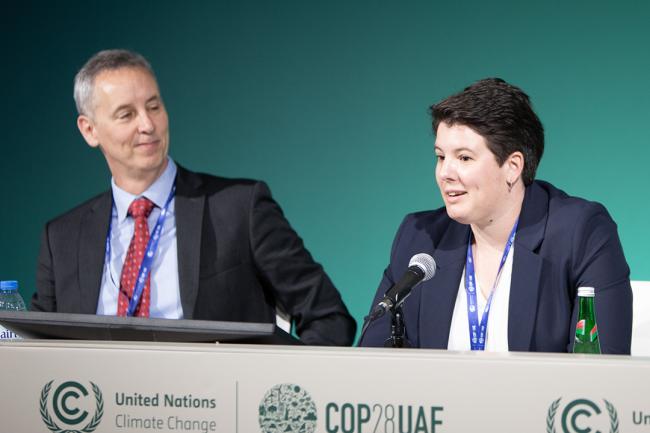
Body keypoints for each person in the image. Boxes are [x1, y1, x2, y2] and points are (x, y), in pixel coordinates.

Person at [31, 49, 356, 346]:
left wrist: (281, 391)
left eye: (154, 106)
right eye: (126, 115)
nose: (147, 124)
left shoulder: (239, 208)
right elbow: (36, 352)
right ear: (90, 130)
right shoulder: (61, 238)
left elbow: (328, 317)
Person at [359, 78, 632, 353]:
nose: (445, 173)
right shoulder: (419, 237)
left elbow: (600, 373)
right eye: (441, 157)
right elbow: (372, 364)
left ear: (512, 167)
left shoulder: (581, 233)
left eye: (464, 158)